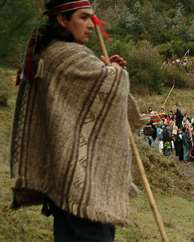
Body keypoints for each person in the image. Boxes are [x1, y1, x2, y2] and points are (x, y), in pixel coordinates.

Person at [10, 1, 148, 240]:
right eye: (83, 18)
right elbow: (112, 88)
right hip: (84, 188)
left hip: (65, 180)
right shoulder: (67, 55)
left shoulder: (51, 52)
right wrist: (114, 72)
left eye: (92, 19)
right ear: (63, 20)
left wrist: (107, 71)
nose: (90, 25)